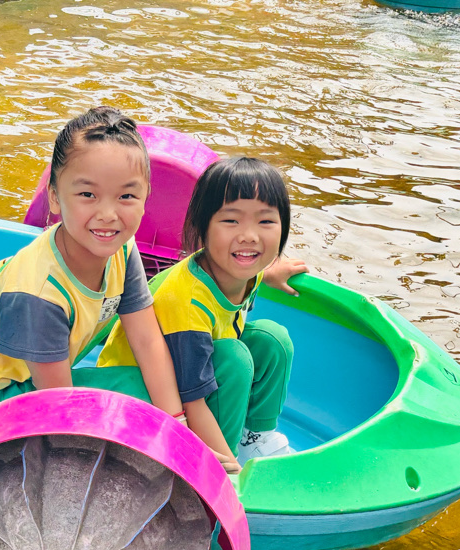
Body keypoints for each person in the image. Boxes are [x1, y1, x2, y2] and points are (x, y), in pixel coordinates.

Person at [0, 106, 190, 441]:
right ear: (54, 197)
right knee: (136, 402)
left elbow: (146, 339)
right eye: (87, 195)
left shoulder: (121, 249)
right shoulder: (38, 293)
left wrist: (178, 423)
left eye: (126, 196)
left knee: (170, 387)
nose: (108, 214)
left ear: (145, 199)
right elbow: (60, 412)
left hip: (31, 375)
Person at [98, 157, 307, 471]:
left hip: (190, 371)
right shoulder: (187, 302)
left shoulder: (242, 269)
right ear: (202, 228)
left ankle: (254, 438)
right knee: (234, 359)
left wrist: (271, 271)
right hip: (141, 393)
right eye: (231, 221)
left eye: (265, 222)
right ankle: (221, 460)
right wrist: (230, 472)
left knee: (272, 340)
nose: (249, 236)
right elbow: (191, 402)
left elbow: (256, 264)